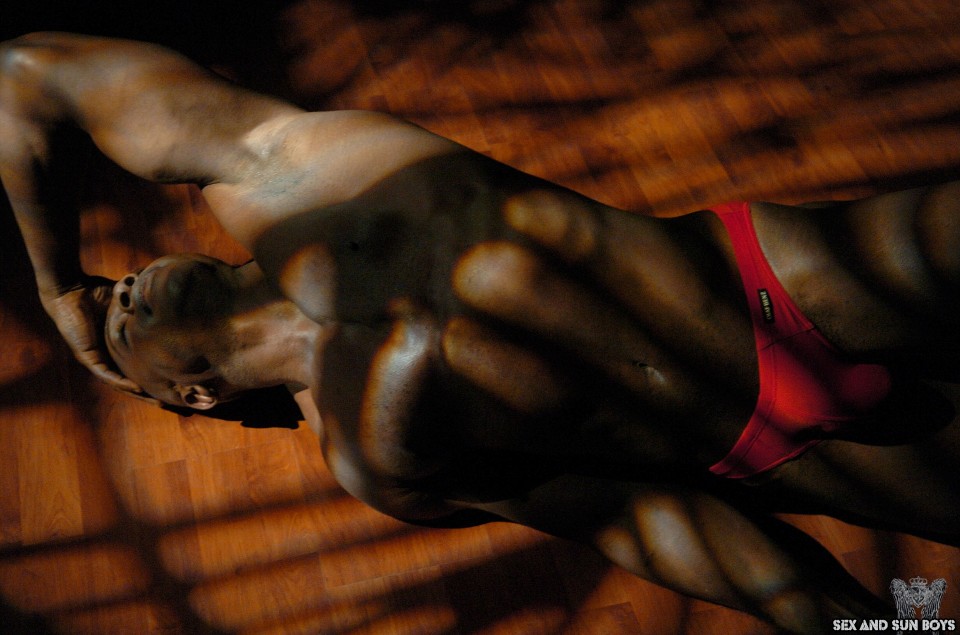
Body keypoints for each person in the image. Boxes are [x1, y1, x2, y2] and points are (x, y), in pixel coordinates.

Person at [3, 32, 959, 632]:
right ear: (195, 393)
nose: (122, 291)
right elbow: (627, 515)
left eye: (114, 287)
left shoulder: (280, 173)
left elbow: (25, 74)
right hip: (763, 434)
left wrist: (59, 290)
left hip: (773, 270)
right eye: (120, 322)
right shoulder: (368, 456)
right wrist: (849, 621)